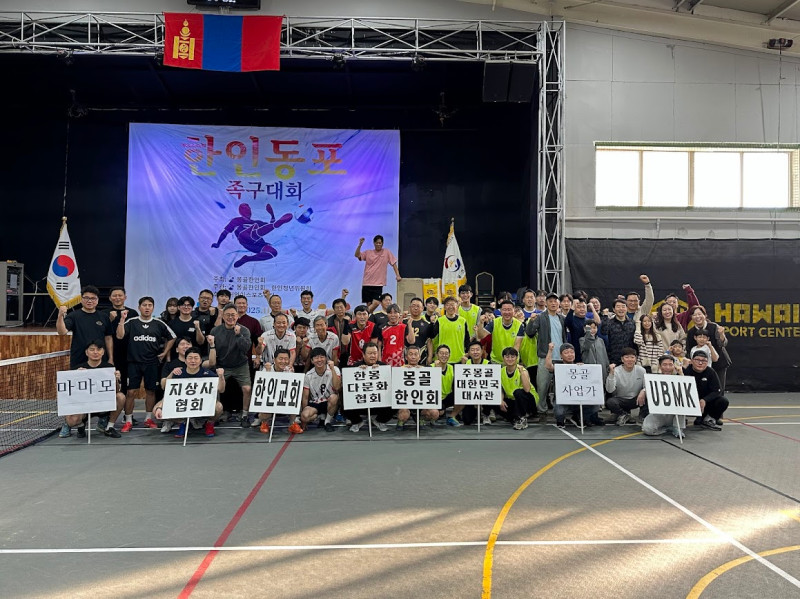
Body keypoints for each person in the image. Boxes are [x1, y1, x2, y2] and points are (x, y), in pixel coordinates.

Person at [116, 297, 176, 431]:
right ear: (139, 307)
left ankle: (148, 419)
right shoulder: (132, 322)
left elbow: (172, 337)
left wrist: (165, 352)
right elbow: (119, 336)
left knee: (150, 391)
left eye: (150, 305)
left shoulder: (158, 323)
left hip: (152, 363)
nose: (147, 307)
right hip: (133, 362)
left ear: (153, 308)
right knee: (131, 392)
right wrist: (122, 320)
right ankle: (128, 420)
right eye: (144, 305)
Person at [58, 340, 124, 439]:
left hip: (103, 405)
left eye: (99, 349)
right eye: (92, 350)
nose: (95, 352)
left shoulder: (109, 368)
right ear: (86, 352)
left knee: (121, 397)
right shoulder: (78, 369)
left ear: (103, 352)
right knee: (71, 420)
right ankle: (81, 426)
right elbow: (69, 395)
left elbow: (116, 391)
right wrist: (76, 377)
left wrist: (116, 379)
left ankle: (109, 427)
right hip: (84, 406)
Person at [157, 347, 225, 439]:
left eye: (196, 358)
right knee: (159, 410)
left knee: (219, 407)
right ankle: (182, 423)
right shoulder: (179, 374)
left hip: (202, 405)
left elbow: (221, 390)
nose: (193, 361)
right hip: (183, 405)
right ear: (185, 361)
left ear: (200, 361)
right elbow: (168, 393)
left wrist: (221, 377)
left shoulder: (208, 374)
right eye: (190, 358)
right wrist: (160, 407)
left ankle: (209, 424)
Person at [524, 292, 566, 423]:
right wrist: (531, 321)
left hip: (561, 358)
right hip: (545, 356)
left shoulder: (562, 318)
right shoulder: (540, 317)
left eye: (555, 301)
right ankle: (542, 411)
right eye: (550, 301)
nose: (553, 303)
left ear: (558, 304)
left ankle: (560, 411)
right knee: (542, 386)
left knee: (561, 387)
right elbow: (530, 333)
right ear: (546, 303)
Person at [211, 202, 292, 268]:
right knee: (254, 228)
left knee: (273, 252)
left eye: (248, 210)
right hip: (245, 239)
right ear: (241, 212)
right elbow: (225, 233)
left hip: (257, 245)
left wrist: (272, 215)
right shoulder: (236, 221)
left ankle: (247, 259)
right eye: (245, 210)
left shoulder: (256, 222)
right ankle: (276, 224)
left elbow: (269, 226)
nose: (248, 212)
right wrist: (218, 243)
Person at [210, 304, 253, 427]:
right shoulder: (215, 331)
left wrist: (238, 335)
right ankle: (216, 414)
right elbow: (212, 352)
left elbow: (246, 349)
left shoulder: (244, 330)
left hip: (240, 365)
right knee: (216, 388)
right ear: (223, 316)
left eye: (233, 315)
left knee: (247, 389)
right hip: (222, 365)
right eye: (227, 315)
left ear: (237, 316)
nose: (230, 317)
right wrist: (216, 368)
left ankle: (245, 414)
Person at [544, 342, 604, 428]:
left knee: (596, 407)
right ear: (561, 355)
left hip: (578, 400)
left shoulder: (579, 367)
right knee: (559, 411)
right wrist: (550, 350)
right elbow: (548, 366)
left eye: (572, 352)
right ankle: (561, 419)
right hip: (563, 400)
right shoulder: (558, 367)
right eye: (566, 353)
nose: (570, 355)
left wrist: (582, 369)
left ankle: (578, 417)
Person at [56, 285, 114, 369]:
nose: (89, 301)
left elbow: (108, 338)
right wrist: (60, 315)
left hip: (99, 358)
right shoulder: (74, 316)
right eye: (86, 298)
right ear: (81, 299)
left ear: (97, 300)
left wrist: (111, 358)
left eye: (93, 298)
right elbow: (62, 332)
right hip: (79, 358)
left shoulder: (104, 316)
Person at [343, 342, 392, 433]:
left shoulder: (384, 367)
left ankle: (379, 420)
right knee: (343, 398)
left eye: (375, 353)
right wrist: (358, 371)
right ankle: (357, 422)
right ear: (363, 355)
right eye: (370, 353)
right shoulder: (355, 367)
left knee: (395, 398)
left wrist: (380, 372)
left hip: (379, 404)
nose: (373, 356)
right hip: (361, 404)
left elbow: (390, 385)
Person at [685, 305, 730, 394]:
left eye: (699, 314)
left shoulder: (714, 327)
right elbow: (689, 350)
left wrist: (721, 335)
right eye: (694, 315)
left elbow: (723, 344)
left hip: (718, 363)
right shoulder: (690, 332)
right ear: (691, 317)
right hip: (700, 366)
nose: (697, 317)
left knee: (718, 390)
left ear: (705, 315)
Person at [395, 345, 441, 430]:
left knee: (435, 413)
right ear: (406, 357)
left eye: (416, 354)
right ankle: (401, 421)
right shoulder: (399, 370)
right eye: (410, 354)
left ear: (419, 357)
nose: (413, 357)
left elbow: (435, 385)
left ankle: (421, 419)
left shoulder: (426, 370)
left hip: (421, 404)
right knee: (403, 414)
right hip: (406, 404)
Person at [355, 234, 401, 313]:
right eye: (377, 243)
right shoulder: (368, 252)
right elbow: (357, 255)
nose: (378, 244)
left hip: (378, 283)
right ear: (374, 243)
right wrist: (360, 245)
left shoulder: (386, 252)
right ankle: (367, 317)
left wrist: (398, 275)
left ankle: (362, 314)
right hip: (367, 282)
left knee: (376, 302)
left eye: (380, 243)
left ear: (382, 243)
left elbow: (393, 264)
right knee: (369, 305)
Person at [256, 347, 297, 434]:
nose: (283, 361)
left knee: (295, 398)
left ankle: (292, 424)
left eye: (286, 359)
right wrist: (268, 373)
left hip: (283, 398)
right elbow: (262, 390)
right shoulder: (266, 369)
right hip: (270, 398)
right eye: (280, 359)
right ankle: (264, 423)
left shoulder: (289, 370)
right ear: (274, 360)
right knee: (263, 411)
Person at [641, 355, 685, 438]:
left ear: (674, 366)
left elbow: (686, 391)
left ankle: (677, 427)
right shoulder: (654, 378)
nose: (667, 367)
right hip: (659, 413)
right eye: (665, 365)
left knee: (682, 406)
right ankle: (667, 428)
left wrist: (681, 373)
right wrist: (643, 391)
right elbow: (649, 388)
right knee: (647, 429)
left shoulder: (679, 378)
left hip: (674, 413)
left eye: (670, 365)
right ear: (660, 366)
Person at [299, 347, 341, 432]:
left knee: (334, 397)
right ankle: (319, 416)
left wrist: (332, 369)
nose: (319, 360)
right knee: (304, 416)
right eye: (316, 358)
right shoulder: (308, 375)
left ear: (326, 359)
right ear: (312, 361)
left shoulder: (335, 369)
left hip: (329, 401)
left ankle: (327, 422)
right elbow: (305, 397)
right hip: (316, 402)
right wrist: (304, 418)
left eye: (322, 357)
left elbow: (337, 387)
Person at [684, 351, 728, 430]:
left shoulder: (710, 372)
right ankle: (681, 419)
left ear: (707, 362)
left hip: (704, 403)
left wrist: (705, 400)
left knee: (723, 401)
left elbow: (717, 390)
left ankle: (709, 418)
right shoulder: (686, 370)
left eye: (704, 361)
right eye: (697, 360)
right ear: (692, 361)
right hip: (688, 401)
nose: (700, 363)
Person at [106, 287, 138, 396]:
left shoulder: (132, 313)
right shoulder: (104, 313)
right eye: (114, 295)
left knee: (127, 384)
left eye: (120, 295)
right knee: (112, 382)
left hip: (129, 354)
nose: (117, 298)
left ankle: (124, 406)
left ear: (125, 297)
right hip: (110, 353)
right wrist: (110, 319)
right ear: (110, 298)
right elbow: (102, 331)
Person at [496, 347, 537, 430]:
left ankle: (522, 417)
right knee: (495, 401)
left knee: (518, 392)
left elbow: (527, 389)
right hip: (513, 400)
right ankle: (514, 418)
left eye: (512, 357)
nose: (510, 359)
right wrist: (501, 400)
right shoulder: (501, 371)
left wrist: (522, 373)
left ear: (517, 358)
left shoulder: (523, 370)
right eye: (507, 357)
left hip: (528, 399)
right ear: (503, 358)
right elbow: (501, 388)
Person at [605, 348, 647, 426]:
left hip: (636, 399)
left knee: (648, 395)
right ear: (622, 359)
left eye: (632, 357)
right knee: (610, 402)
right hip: (621, 400)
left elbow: (647, 386)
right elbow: (610, 390)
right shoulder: (616, 371)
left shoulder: (641, 370)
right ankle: (623, 414)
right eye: (627, 357)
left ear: (636, 359)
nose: (630, 360)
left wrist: (643, 391)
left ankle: (642, 417)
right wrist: (611, 374)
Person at [476, 299, 523, 365]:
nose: (507, 312)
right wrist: (481, 323)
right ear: (500, 311)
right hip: (496, 361)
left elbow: (516, 346)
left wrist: (509, 361)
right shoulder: (494, 323)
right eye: (504, 309)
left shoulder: (519, 325)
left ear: (513, 311)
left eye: (509, 309)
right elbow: (481, 336)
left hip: (512, 361)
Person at [459, 341, 493, 426]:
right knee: (467, 421)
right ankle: (474, 410)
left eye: (477, 350)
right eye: (472, 350)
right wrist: (462, 365)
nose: (475, 352)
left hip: (484, 392)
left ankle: (486, 414)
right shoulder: (466, 363)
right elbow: (461, 381)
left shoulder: (488, 364)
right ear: (469, 352)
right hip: (470, 394)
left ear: (482, 351)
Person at [431, 296, 470, 364]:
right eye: (448, 305)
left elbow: (467, 339)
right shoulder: (440, 321)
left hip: (459, 358)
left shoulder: (463, 321)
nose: (450, 307)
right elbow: (431, 335)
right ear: (445, 307)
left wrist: (467, 353)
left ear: (457, 306)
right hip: (443, 358)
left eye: (453, 304)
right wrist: (432, 323)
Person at [431, 344, 460, 426]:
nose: (444, 355)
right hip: (434, 397)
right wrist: (436, 371)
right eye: (441, 353)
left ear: (449, 355)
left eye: (446, 353)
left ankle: (452, 417)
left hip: (447, 396)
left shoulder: (452, 368)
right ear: (437, 355)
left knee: (462, 395)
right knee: (438, 413)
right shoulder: (430, 367)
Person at [600, 299, 636, 366]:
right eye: (618, 307)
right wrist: (605, 317)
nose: (621, 309)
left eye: (623, 306)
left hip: (629, 358)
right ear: (614, 309)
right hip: (614, 358)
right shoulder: (609, 322)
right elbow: (604, 331)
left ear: (627, 308)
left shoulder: (632, 323)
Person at [405, 297, 434, 365]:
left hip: (422, 356)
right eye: (413, 306)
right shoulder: (403, 322)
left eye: (418, 306)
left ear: (422, 308)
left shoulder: (427, 324)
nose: (415, 308)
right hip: (405, 356)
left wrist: (430, 356)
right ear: (409, 307)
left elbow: (429, 341)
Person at [327, 298, 352, 365]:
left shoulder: (352, 319)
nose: (339, 309)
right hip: (335, 352)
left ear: (345, 308)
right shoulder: (329, 322)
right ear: (334, 310)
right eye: (337, 308)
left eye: (341, 307)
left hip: (349, 351)